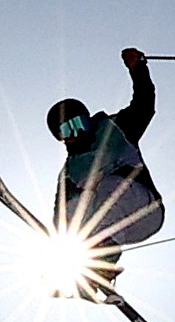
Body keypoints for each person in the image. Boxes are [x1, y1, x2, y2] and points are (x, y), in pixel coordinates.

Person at [45, 47, 165, 293]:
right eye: (67, 131)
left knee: (108, 184)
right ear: (62, 139)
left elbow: (144, 104)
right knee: (77, 205)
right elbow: (63, 214)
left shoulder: (115, 128)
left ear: (89, 120)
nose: (76, 134)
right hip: (114, 228)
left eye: (80, 124)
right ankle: (87, 272)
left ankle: (101, 261)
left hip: (144, 210)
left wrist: (138, 68)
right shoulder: (69, 173)